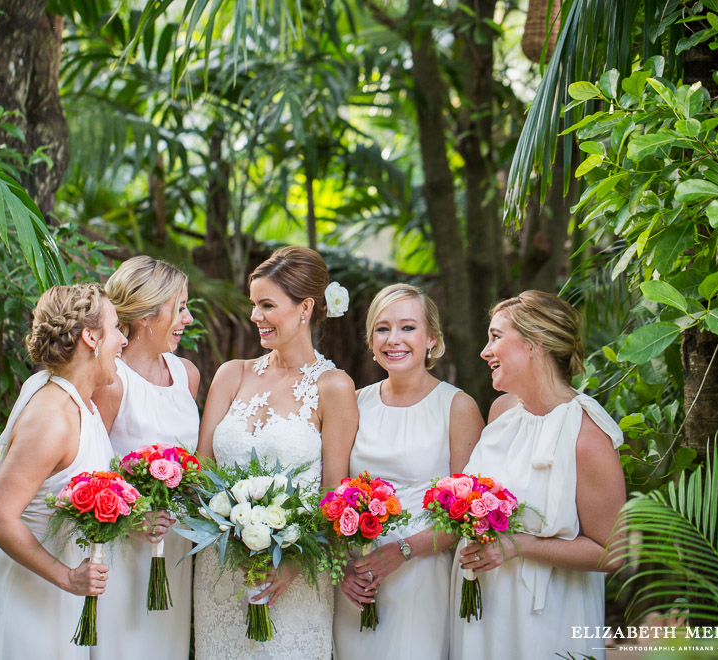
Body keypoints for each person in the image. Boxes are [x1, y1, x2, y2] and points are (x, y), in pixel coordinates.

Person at [193, 245, 359, 659]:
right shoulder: (232, 374)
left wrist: (293, 565)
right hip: (219, 572)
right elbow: (201, 470)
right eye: (253, 304)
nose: (255, 316)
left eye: (267, 305)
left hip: (293, 576)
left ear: (305, 308)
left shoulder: (334, 387)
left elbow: (333, 495)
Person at [450, 290, 626, 660]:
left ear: (535, 344)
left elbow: (613, 553)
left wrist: (517, 546)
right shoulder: (501, 412)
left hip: (545, 618)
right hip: (482, 604)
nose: (485, 351)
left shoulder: (587, 437)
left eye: (496, 337)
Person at [0, 283, 128, 659]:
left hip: (53, 590)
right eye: (116, 328)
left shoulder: (82, 403)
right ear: (90, 337)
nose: (123, 340)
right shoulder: (53, 417)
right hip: (16, 588)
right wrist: (66, 576)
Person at [333, 283, 484, 659]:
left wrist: (401, 551)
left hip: (422, 578)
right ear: (371, 339)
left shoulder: (458, 407)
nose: (393, 339)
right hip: (358, 580)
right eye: (382, 328)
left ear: (432, 338)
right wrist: (343, 569)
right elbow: (332, 492)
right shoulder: (354, 403)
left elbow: (467, 515)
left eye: (407, 328)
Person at [91, 256, 200, 660]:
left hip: (174, 546)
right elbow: (87, 470)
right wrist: (130, 518)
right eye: (180, 308)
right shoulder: (112, 382)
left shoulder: (187, 374)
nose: (187, 319)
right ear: (146, 317)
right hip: (123, 546)